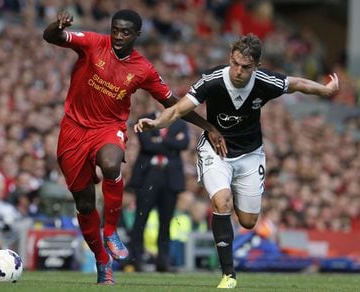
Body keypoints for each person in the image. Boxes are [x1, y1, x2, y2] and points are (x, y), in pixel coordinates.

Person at [134, 33, 339, 288]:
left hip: (251, 155)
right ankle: (228, 274)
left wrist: (325, 89)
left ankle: (236, 216)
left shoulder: (264, 82)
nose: (239, 71)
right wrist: (155, 123)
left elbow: (295, 83)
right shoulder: (212, 80)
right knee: (221, 201)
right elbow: (177, 109)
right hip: (215, 152)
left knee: (248, 221)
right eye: (235, 64)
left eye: (246, 67)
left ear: (257, 67)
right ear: (230, 58)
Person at [42, 9, 225, 285]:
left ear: (137, 35)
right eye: (115, 29)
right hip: (73, 130)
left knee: (112, 163)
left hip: (108, 128)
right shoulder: (93, 43)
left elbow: (173, 104)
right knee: (84, 202)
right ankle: (102, 260)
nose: (118, 36)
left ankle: (111, 231)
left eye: (125, 32)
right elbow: (52, 37)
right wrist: (56, 26)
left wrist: (208, 126)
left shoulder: (143, 69)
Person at [128, 110, 189, 272]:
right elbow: (146, 144)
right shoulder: (144, 118)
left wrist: (159, 140)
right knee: (141, 219)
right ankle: (136, 258)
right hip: (148, 175)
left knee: (166, 221)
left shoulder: (180, 122)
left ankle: (163, 260)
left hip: (170, 178)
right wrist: (171, 142)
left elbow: (184, 144)